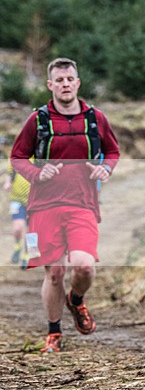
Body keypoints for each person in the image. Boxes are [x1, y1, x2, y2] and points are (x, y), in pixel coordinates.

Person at [10, 57, 120, 353]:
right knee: (54, 272)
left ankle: (76, 299)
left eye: (70, 79)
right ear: (50, 85)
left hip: (83, 204)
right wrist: (36, 172)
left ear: (78, 82)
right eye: (59, 80)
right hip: (43, 208)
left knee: (84, 266)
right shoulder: (38, 120)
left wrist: (105, 169)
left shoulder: (95, 118)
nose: (65, 84)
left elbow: (112, 150)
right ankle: (54, 333)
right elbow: (17, 157)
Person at [4, 156, 31, 268]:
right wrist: (7, 182)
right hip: (16, 199)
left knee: (32, 232)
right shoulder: (17, 156)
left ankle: (27, 256)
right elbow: (9, 173)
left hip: (34, 200)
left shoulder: (40, 154)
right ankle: (17, 247)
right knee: (17, 228)